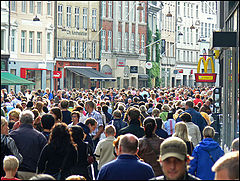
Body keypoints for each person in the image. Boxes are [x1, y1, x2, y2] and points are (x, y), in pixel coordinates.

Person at [9, 110, 47, 180]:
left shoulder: (13, 135)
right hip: (34, 172)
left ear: (19, 122)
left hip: (16, 171)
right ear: (33, 122)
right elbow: (44, 156)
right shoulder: (40, 136)